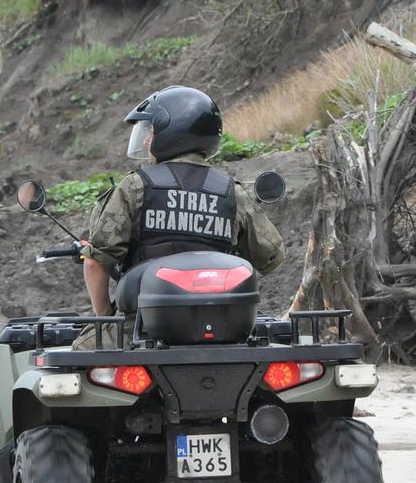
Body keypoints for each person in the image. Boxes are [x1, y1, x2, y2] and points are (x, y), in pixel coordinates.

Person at [79, 85, 285, 328]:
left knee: (80, 352)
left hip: (145, 328)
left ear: (172, 132)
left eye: (151, 131)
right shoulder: (231, 192)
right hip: (224, 327)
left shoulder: (135, 187)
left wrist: (103, 318)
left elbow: (95, 262)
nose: (146, 140)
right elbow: (271, 258)